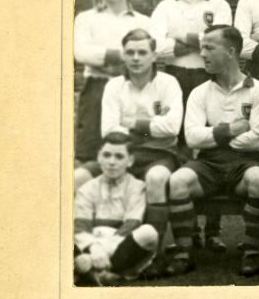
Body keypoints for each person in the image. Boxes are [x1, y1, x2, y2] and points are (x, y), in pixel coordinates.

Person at [74, 28, 183, 276]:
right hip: (119, 154)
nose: (135, 58)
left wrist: (131, 123)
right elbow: (108, 130)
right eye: (130, 52)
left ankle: (153, 255)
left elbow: (172, 127)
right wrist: (152, 126)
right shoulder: (114, 86)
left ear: (154, 55)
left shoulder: (168, 83)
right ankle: (77, 250)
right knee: (77, 178)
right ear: (123, 55)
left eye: (142, 52)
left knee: (157, 178)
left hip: (158, 155)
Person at [164, 25, 259, 276]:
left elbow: (257, 141)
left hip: (245, 163)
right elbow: (192, 137)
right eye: (202, 48)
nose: (202, 54)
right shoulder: (199, 93)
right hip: (208, 164)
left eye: (209, 48)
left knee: (258, 179)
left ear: (231, 52)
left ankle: (252, 252)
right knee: (178, 181)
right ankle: (183, 253)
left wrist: (213, 135)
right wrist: (230, 130)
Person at [150, 0, 232, 252]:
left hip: (210, 78)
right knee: (183, 148)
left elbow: (222, 42)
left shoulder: (220, 5)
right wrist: (200, 41)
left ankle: (213, 231)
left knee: (213, 147)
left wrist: (179, 39)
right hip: (176, 79)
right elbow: (156, 47)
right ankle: (189, 229)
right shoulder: (165, 8)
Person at [74, 0, 150, 164]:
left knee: (129, 153)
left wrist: (103, 58)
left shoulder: (143, 22)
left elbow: (149, 57)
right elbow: (81, 53)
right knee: (90, 155)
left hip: (132, 90)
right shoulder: (86, 19)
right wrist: (124, 56)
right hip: (96, 90)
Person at [73, 132, 159, 286]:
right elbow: (81, 228)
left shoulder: (137, 187)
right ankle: (105, 273)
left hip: (120, 247)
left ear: (130, 161)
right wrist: (94, 247)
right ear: (99, 157)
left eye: (119, 157)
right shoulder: (87, 189)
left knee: (148, 233)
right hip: (91, 245)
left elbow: (131, 226)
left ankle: (89, 268)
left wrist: (102, 251)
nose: (111, 162)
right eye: (106, 155)